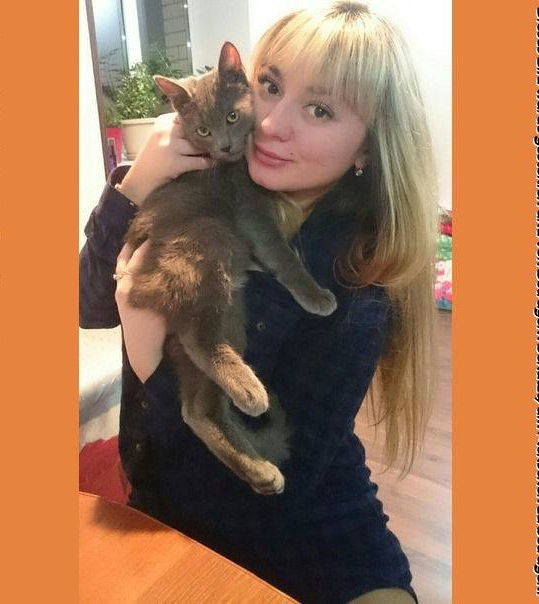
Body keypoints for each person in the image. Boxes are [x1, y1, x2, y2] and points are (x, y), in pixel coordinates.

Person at [80, 2, 437, 602]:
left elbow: (270, 488)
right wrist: (135, 185)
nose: (270, 124)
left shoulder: (357, 285)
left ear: (367, 150)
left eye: (320, 109)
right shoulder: (206, 179)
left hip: (300, 533)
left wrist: (150, 361)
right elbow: (87, 305)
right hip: (166, 516)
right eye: (269, 85)